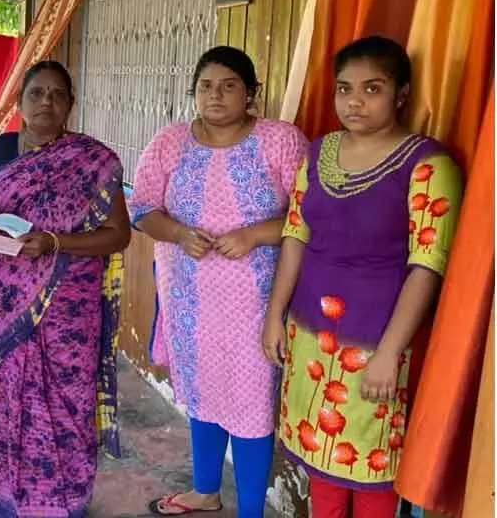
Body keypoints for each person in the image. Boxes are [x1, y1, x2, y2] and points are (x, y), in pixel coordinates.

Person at [262, 36, 463, 517]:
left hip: (377, 342)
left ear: (401, 93)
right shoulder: (320, 151)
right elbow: (295, 236)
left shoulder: (428, 164)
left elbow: (427, 266)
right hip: (310, 335)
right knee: (321, 462)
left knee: (373, 473)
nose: (354, 101)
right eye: (344, 88)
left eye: (372, 88)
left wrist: (390, 353)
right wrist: (275, 317)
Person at [130, 47, 308, 517]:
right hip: (187, 294)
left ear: (251, 93)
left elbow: (309, 213)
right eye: (206, 85)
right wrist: (178, 233)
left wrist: (254, 234)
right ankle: (206, 491)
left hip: (257, 298)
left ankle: (251, 510)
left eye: (229, 85)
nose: (216, 95)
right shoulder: (169, 143)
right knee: (203, 389)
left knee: (250, 400)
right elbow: (142, 209)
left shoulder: (280, 141)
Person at [0, 60, 131, 516]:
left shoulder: (95, 162)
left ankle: (61, 499)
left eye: (58, 94)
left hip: (69, 307)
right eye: (37, 93)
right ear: (20, 103)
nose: (47, 102)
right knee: (1, 389)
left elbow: (118, 235)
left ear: (71, 103)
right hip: (4, 298)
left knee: (65, 398)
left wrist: (55, 243)